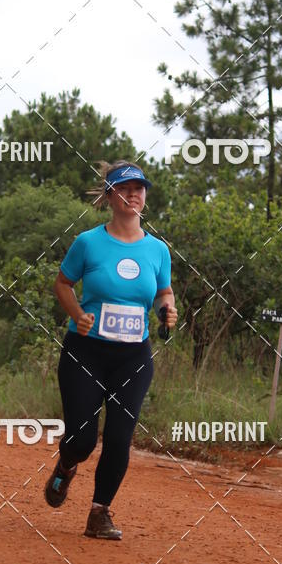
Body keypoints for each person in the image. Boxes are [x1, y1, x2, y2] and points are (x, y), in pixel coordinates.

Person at [45, 160, 178, 540]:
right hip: (84, 352)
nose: (133, 193)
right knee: (84, 438)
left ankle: (99, 513)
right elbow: (63, 284)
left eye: (139, 187)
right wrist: (76, 314)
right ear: (110, 196)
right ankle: (67, 466)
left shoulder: (157, 250)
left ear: (145, 196)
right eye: (124, 188)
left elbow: (163, 292)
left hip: (133, 357)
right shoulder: (88, 241)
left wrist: (167, 309)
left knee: (120, 438)